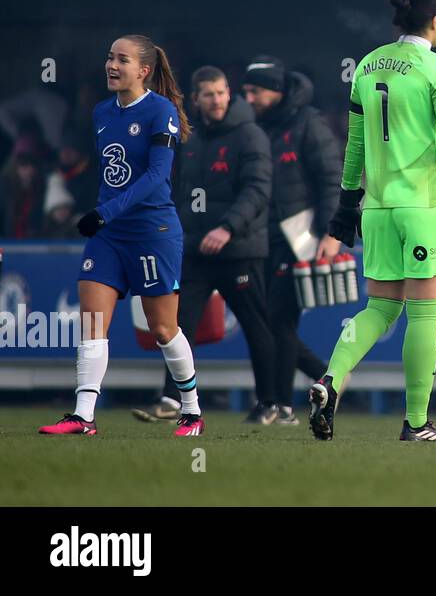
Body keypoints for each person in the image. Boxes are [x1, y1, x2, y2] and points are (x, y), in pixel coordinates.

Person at [312, 0, 436, 442]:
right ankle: (417, 422)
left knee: (379, 308)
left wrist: (348, 204)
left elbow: (356, 146)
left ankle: (330, 382)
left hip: (378, 207)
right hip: (425, 205)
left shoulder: (367, 65)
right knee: (424, 316)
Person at [39, 35, 205, 437]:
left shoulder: (160, 111)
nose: (111, 65)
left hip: (153, 232)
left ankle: (191, 411)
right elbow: (111, 176)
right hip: (109, 235)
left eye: (122, 59)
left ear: (143, 70)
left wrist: (103, 212)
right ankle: (83, 416)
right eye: (110, 57)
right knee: (93, 320)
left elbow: (155, 177)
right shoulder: (100, 113)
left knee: (163, 330)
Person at [133, 67, 278, 424]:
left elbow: (258, 190)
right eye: (208, 94)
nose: (216, 100)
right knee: (177, 325)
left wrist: (228, 228)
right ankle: (172, 399)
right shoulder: (190, 138)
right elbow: (178, 191)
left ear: (230, 93)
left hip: (239, 250)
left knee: (256, 325)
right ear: (195, 99)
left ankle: (270, 402)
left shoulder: (250, 135)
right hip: (195, 249)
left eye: (221, 92)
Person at [242, 55, 341, 424]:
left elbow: (332, 180)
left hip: (297, 238)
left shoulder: (308, 124)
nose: (248, 98)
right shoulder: (252, 125)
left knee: (278, 319)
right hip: (256, 239)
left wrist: (331, 233)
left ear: (277, 90)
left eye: (255, 91)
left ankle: (280, 405)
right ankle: (324, 376)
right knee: (266, 321)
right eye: (245, 91)